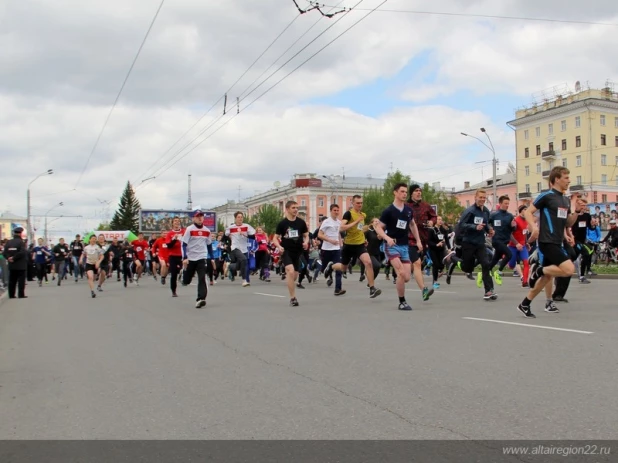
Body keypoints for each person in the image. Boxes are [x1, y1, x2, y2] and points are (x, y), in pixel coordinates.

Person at [518, 167, 579, 318]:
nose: (569, 180)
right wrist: (533, 227)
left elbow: (567, 222)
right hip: (547, 241)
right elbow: (528, 212)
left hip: (558, 241)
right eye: (566, 177)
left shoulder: (565, 199)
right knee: (569, 269)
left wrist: (576, 212)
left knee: (547, 277)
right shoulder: (546, 196)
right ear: (557, 179)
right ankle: (539, 270)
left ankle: (525, 303)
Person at [373, 183, 419, 311]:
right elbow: (378, 227)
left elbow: (413, 225)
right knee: (401, 273)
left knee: (407, 277)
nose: (405, 194)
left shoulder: (408, 210)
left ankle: (400, 286)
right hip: (391, 246)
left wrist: (418, 241)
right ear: (395, 193)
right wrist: (387, 238)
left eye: (406, 192)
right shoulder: (389, 211)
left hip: (404, 246)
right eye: (402, 191)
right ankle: (402, 302)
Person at [325, 195, 382, 299]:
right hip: (349, 245)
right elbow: (341, 228)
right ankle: (331, 266)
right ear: (352, 203)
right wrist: (356, 221)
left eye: (361, 203)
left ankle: (372, 289)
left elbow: (360, 229)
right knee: (343, 268)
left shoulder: (363, 215)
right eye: (357, 203)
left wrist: (365, 232)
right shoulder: (348, 214)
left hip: (359, 245)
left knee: (368, 263)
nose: (360, 205)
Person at [458, 189, 497, 300]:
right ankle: (454, 260)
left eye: (484, 198)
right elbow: (461, 225)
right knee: (468, 268)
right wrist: (474, 227)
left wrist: (489, 230)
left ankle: (489, 291)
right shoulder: (470, 211)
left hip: (480, 243)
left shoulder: (485, 211)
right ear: (475, 197)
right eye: (480, 197)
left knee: (486, 264)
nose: (482, 200)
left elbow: (485, 225)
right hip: (468, 242)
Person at [272, 201, 309, 307]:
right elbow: (275, 238)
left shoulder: (301, 223)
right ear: (287, 209)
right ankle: (293, 298)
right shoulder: (282, 224)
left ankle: (288, 276)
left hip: (297, 252)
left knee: (294, 276)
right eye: (293, 208)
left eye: (297, 208)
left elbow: (306, 235)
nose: (296, 210)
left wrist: (306, 242)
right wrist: (279, 247)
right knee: (291, 271)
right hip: (286, 251)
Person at [406, 184, 437, 301]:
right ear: (411, 193)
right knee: (417, 263)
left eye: (420, 191)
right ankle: (424, 290)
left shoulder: (426, 206)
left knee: (410, 270)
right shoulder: (406, 206)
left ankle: (402, 274)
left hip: (423, 239)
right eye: (416, 191)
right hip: (410, 239)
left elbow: (434, 216)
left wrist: (431, 222)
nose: (419, 193)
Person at [181, 209, 215, 308]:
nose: (200, 218)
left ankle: (201, 299)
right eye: (198, 216)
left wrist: (212, 257)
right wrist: (185, 257)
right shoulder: (189, 229)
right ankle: (184, 273)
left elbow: (209, 245)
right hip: (191, 257)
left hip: (202, 257)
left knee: (202, 277)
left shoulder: (207, 231)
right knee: (187, 281)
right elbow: (184, 244)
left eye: (201, 216)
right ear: (194, 218)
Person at [487, 195, 515, 286]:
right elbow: (487, 223)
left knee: (495, 259)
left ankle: (486, 271)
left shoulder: (510, 216)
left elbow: (512, 230)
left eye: (508, 204)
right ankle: (498, 271)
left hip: (505, 240)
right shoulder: (494, 215)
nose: (507, 205)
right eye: (505, 203)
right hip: (496, 240)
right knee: (509, 254)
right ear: (500, 203)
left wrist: (513, 226)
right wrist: (490, 229)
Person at [319, 204, 345, 296]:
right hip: (326, 249)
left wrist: (341, 244)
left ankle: (338, 289)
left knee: (339, 268)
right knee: (323, 269)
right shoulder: (326, 222)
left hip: (336, 249)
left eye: (338, 210)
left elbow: (338, 234)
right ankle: (327, 270)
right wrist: (330, 240)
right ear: (331, 211)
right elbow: (320, 235)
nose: (336, 212)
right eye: (335, 210)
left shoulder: (339, 222)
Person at [225, 212, 256, 287]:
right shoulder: (231, 227)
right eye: (238, 217)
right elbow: (225, 236)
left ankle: (230, 266)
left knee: (240, 265)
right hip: (235, 248)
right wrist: (227, 241)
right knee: (244, 260)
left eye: (241, 217)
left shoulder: (247, 226)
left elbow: (253, 237)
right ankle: (244, 280)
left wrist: (245, 234)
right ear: (235, 218)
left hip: (244, 248)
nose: (240, 219)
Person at [2, 227, 28, 299]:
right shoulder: (21, 242)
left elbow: (4, 253)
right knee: (21, 281)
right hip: (20, 265)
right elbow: (22, 252)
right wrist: (14, 258)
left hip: (12, 265)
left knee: (12, 280)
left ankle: (11, 295)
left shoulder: (9, 242)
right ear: (20, 233)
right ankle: (21, 294)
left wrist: (9, 258)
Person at [165, 218, 185, 297]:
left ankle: (182, 276)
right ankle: (174, 291)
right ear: (172, 223)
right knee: (173, 274)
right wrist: (174, 239)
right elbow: (169, 246)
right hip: (173, 256)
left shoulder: (184, 231)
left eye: (178, 221)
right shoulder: (170, 233)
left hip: (182, 255)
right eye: (175, 221)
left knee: (184, 270)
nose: (177, 222)